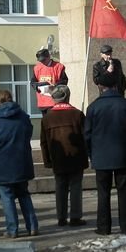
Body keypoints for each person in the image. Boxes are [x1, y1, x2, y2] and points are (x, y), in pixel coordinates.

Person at [0, 90, 39, 238]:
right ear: (12, 99)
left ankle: (12, 230)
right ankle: (32, 227)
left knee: (7, 197)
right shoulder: (24, 118)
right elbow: (29, 134)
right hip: (22, 162)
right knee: (24, 195)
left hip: (2, 164)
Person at [85, 73, 126, 235]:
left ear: (101, 87)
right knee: (124, 191)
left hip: (101, 157)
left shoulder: (93, 107)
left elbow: (87, 134)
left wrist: (91, 154)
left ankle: (103, 227)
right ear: (116, 85)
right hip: (123, 155)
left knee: (103, 193)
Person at [40, 85, 88, 227]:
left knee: (60, 187)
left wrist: (47, 161)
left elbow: (43, 142)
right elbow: (86, 137)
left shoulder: (47, 118)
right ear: (67, 97)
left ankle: (61, 217)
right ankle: (75, 217)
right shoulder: (77, 114)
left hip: (57, 158)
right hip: (76, 157)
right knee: (75, 187)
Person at [30, 49, 68, 115]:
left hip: (55, 102)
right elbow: (33, 82)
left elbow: (64, 81)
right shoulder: (37, 68)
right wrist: (36, 87)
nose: (42, 62)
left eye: (43, 60)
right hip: (42, 103)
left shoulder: (58, 67)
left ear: (49, 57)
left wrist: (54, 86)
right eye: (40, 61)